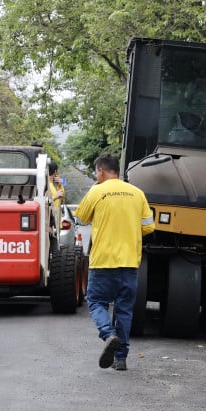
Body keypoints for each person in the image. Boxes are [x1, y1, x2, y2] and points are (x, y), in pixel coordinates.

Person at [75, 154, 155, 371]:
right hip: (129, 263)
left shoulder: (97, 191)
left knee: (96, 302)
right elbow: (149, 226)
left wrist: (94, 191)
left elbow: (80, 218)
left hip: (103, 262)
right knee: (124, 310)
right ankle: (120, 359)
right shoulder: (137, 193)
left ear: (101, 171)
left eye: (96, 172)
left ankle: (108, 334)